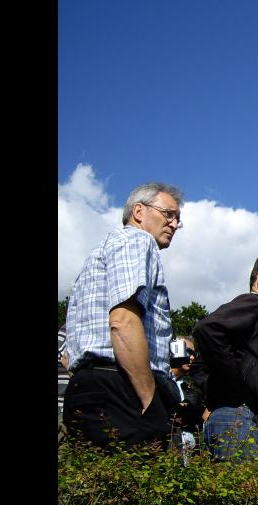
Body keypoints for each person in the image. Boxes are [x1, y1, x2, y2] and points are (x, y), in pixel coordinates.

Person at [62, 182, 185, 451]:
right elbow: (122, 321)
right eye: (169, 214)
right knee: (143, 487)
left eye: (178, 219)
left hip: (89, 388)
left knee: (100, 488)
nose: (175, 224)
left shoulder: (95, 258)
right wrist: (149, 398)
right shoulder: (137, 240)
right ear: (139, 211)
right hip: (124, 389)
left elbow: (66, 353)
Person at [192, 253, 258, 461]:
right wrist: (236, 383)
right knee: (244, 493)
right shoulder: (253, 303)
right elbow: (207, 329)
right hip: (240, 417)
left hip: (248, 419)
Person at [169, 335, 206, 464]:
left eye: (194, 354)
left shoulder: (190, 386)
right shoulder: (157, 381)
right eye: (188, 352)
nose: (192, 358)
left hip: (188, 454)